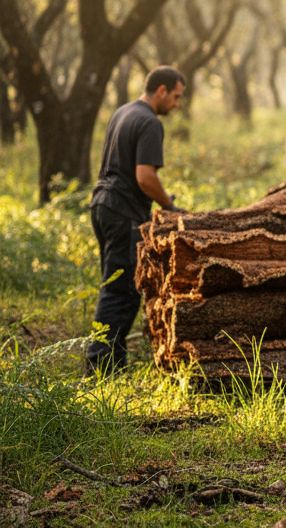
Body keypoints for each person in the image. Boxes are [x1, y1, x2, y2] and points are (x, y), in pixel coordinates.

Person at [85, 66, 186, 375]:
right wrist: (170, 206)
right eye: (176, 97)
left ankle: (112, 362)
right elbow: (145, 177)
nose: (177, 104)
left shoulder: (123, 112)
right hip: (123, 211)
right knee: (122, 289)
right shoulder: (149, 122)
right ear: (161, 91)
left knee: (115, 284)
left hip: (102, 205)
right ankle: (100, 366)